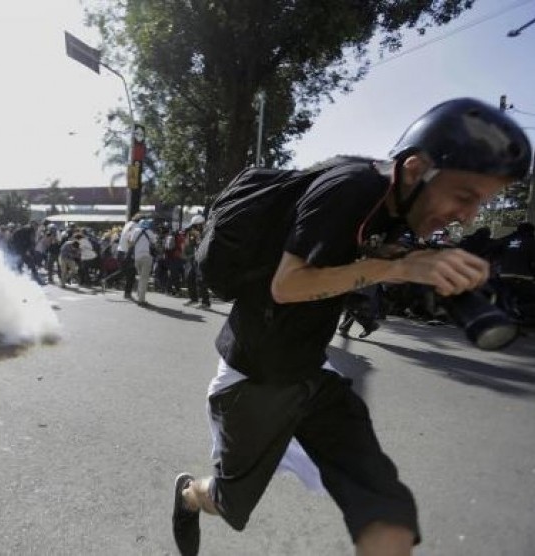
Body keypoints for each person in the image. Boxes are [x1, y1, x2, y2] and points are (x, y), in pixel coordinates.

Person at [172, 98, 532, 556]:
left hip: (311, 376)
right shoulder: (350, 189)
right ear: (416, 168)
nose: (469, 216)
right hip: (255, 380)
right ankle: (187, 495)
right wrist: (397, 271)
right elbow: (288, 286)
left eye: (481, 202)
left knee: (386, 508)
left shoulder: (394, 207)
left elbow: (359, 254)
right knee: (227, 502)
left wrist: (432, 270)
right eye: (465, 196)